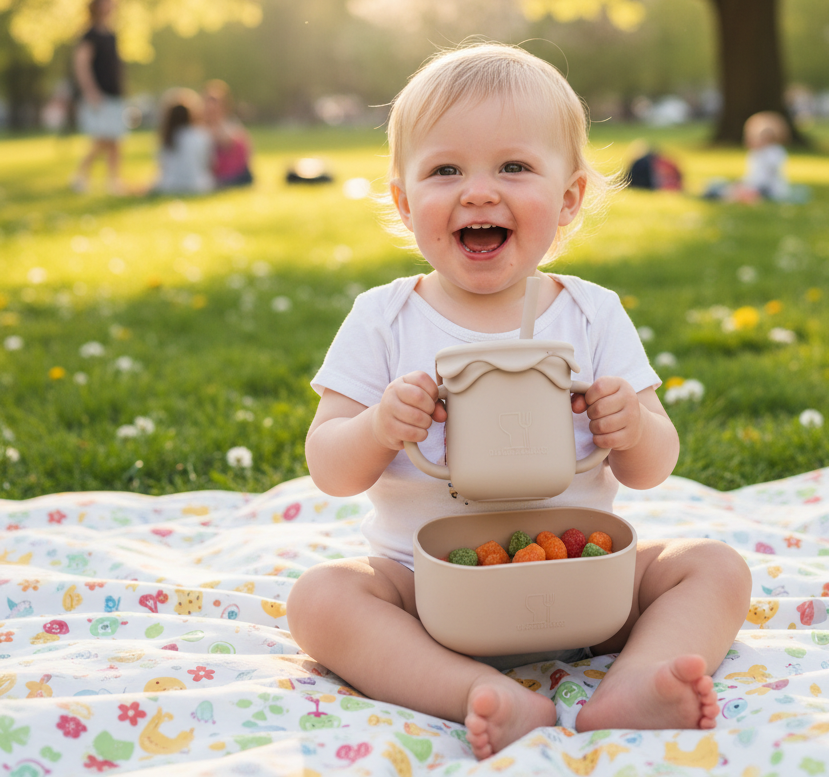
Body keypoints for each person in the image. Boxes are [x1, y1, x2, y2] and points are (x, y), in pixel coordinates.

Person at [286, 44, 751, 760]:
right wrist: (378, 426)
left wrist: (630, 423)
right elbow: (330, 466)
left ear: (568, 199)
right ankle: (472, 691)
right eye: (446, 170)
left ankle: (634, 683)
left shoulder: (592, 314)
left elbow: (654, 465)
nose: (478, 192)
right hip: (427, 590)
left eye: (513, 167)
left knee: (713, 567)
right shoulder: (383, 318)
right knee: (320, 600)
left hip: (583, 580)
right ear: (405, 202)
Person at [71, 0, 126, 193]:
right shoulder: (89, 34)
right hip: (98, 95)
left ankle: (114, 181)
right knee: (102, 138)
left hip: (115, 93)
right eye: (103, 2)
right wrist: (90, 91)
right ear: (95, 6)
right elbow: (81, 64)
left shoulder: (112, 34)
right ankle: (80, 175)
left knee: (115, 141)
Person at [703, 110, 792, 203]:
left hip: (768, 189)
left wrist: (748, 185)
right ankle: (717, 192)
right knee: (723, 184)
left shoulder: (774, 152)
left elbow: (765, 178)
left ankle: (719, 194)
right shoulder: (754, 153)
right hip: (756, 186)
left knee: (741, 191)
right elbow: (752, 175)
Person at [151, 89, 214, 194]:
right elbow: (208, 163)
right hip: (199, 186)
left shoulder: (166, 138)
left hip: (169, 186)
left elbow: (162, 167)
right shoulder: (201, 135)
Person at [203, 79, 253, 187]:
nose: (211, 107)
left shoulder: (230, 123)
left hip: (233, 173)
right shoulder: (200, 125)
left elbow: (229, 142)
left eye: (215, 103)